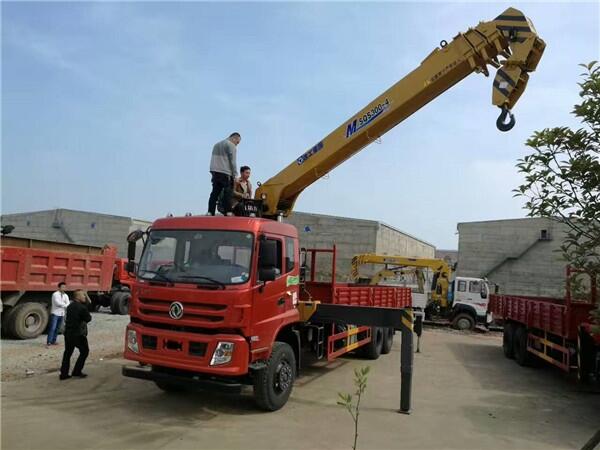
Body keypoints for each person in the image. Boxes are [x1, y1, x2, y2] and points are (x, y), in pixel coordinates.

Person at [59, 290, 91, 380]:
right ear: (78, 297)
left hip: (68, 333)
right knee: (84, 351)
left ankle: (64, 374)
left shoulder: (70, 306)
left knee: (67, 353)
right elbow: (88, 318)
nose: (84, 297)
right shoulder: (82, 308)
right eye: (83, 295)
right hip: (78, 334)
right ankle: (76, 371)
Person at [207, 132, 241, 216]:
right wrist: (235, 175)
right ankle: (228, 211)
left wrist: (212, 171)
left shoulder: (216, 145)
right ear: (234, 138)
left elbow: (213, 159)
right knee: (228, 193)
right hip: (226, 172)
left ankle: (210, 211)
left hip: (215, 172)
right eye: (237, 142)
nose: (237, 145)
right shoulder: (231, 145)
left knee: (214, 193)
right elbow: (233, 161)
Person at [47, 282, 69, 347]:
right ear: (59, 287)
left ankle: (54, 341)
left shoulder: (65, 295)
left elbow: (68, 303)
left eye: (64, 287)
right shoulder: (55, 294)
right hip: (55, 313)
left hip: (62, 314)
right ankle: (49, 342)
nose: (64, 288)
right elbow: (57, 303)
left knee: (57, 328)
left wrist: (64, 305)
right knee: (52, 328)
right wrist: (65, 305)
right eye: (62, 287)